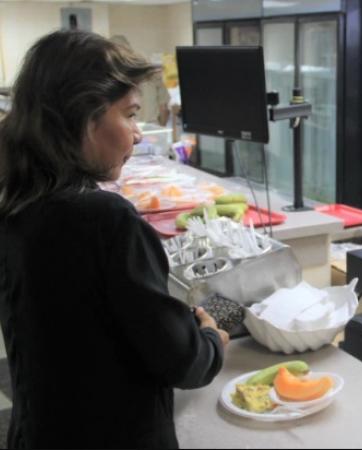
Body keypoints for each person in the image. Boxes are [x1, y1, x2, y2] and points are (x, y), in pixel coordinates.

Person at [0, 30, 229, 448]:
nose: (139, 133)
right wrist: (211, 338)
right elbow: (182, 361)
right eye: (129, 114)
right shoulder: (106, 220)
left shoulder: (18, 205)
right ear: (83, 118)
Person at [110, 35, 170, 126]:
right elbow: (164, 108)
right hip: (152, 126)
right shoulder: (151, 73)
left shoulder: (111, 78)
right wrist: (160, 128)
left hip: (128, 128)